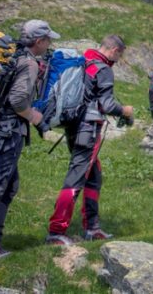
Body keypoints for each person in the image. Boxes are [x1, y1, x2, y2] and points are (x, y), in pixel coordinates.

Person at [0, 19, 57, 257]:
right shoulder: (28, 62)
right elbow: (18, 101)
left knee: (8, 185)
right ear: (39, 41)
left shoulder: (12, 55)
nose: (49, 44)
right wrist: (36, 118)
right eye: (48, 40)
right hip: (7, 132)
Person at [46, 35, 134, 244]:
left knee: (93, 176)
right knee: (76, 177)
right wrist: (125, 111)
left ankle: (92, 228)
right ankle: (56, 231)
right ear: (114, 51)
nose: (118, 60)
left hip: (73, 126)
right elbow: (107, 105)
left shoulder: (84, 61)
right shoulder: (104, 69)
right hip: (89, 129)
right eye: (119, 55)